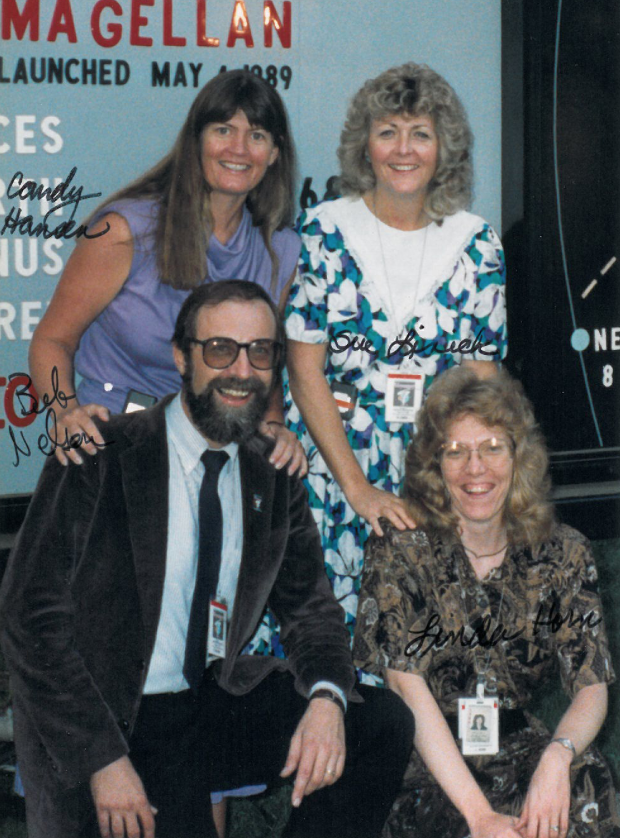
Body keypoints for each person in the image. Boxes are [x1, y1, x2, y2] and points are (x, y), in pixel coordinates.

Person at [0, 280, 413, 838]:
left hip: (210, 704)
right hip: (114, 715)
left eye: (260, 352)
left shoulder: (273, 469)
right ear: (181, 356)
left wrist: (325, 698)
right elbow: (30, 618)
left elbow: (310, 611)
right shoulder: (101, 452)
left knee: (379, 721)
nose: (241, 371)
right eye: (220, 349)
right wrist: (103, 761)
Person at [263, 62, 507, 665]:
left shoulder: (477, 243)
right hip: (331, 477)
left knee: (420, 657)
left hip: (435, 480)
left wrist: (473, 486)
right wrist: (360, 489)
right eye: (388, 131)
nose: (404, 149)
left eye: (420, 133)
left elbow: (484, 381)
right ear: (363, 145)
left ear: (443, 146)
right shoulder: (322, 230)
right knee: (318, 651)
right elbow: (303, 370)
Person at [354, 367, 619, 838]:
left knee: (587, 782)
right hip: (425, 758)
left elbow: (591, 686)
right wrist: (480, 816)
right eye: (455, 451)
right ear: (434, 464)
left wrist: (557, 756)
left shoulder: (563, 552)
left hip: (517, 742)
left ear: (520, 457)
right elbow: (403, 683)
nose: (475, 468)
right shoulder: (399, 548)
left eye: (493, 447)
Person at [28, 69, 304, 475]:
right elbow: (52, 340)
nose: (240, 148)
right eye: (223, 130)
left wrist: (274, 426)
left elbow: (266, 364)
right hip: (115, 436)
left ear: (275, 153)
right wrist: (64, 412)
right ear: (196, 141)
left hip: (221, 447)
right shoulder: (123, 230)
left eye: (257, 135)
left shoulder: (281, 250)